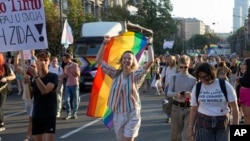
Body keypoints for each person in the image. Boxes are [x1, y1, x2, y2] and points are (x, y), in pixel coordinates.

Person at [96, 36, 154, 141]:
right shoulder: (115, 73)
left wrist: (149, 44)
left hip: (132, 113)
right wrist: (104, 43)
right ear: (122, 60)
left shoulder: (135, 75)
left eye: (129, 58)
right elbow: (99, 60)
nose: (127, 60)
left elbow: (150, 61)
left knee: (128, 139)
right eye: (125, 58)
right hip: (118, 113)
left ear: (133, 62)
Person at [188, 63, 239, 141]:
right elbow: (193, 109)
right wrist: (191, 128)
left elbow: (235, 108)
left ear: (212, 74)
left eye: (205, 77)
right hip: (203, 125)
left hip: (222, 125)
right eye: (200, 77)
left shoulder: (225, 85)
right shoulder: (197, 87)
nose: (202, 80)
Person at [27, 50, 58, 141]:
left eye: (45, 60)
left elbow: (44, 91)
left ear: (49, 62)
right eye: (40, 60)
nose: (43, 62)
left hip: (49, 113)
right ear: (37, 61)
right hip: (37, 113)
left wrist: (36, 76)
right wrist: (27, 84)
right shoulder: (34, 78)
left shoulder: (53, 77)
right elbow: (30, 95)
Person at [167, 55, 196, 141]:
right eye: (181, 67)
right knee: (175, 135)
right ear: (179, 65)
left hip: (188, 108)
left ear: (189, 65)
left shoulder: (193, 79)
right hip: (176, 108)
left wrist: (191, 94)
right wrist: (176, 94)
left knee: (188, 136)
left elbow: (196, 95)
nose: (183, 69)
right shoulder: (174, 77)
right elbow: (168, 93)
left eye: (185, 67)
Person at [61, 53, 80, 120]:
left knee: (75, 100)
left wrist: (71, 70)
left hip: (75, 84)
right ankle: (68, 113)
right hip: (68, 85)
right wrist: (64, 75)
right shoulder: (65, 66)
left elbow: (77, 75)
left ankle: (74, 113)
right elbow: (66, 76)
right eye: (63, 59)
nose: (63, 60)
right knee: (67, 100)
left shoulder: (75, 65)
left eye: (64, 59)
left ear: (68, 58)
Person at [0, 53, 16, 131]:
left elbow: (13, 76)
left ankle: (1, 124)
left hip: (2, 89)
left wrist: (6, 78)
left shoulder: (5, 66)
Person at [236, 58, 250, 124]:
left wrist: (240, 80)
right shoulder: (245, 73)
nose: (242, 65)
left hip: (248, 96)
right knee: (245, 116)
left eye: (244, 64)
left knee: (248, 116)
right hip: (242, 96)